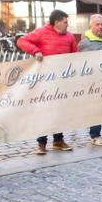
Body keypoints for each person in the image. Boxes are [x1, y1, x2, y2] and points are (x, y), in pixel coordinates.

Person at [17, 9, 78, 154]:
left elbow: (76, 56)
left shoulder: (70, 37)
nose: (67, 25)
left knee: (59, 110)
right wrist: (36, 51)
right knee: (44, 111)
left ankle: (58, 140)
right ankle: (41, 143)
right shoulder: (41, 32)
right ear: (56, 22)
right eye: (65, 22)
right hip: (45, 80)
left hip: (62, 80)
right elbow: (21, 41)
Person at [78, 14, 102, 146]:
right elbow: (81, 62)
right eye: (97, 25)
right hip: (94, 81)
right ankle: (95, 135)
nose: (100, 27)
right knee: (96, 108)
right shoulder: (85, 42)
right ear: (91, 26)